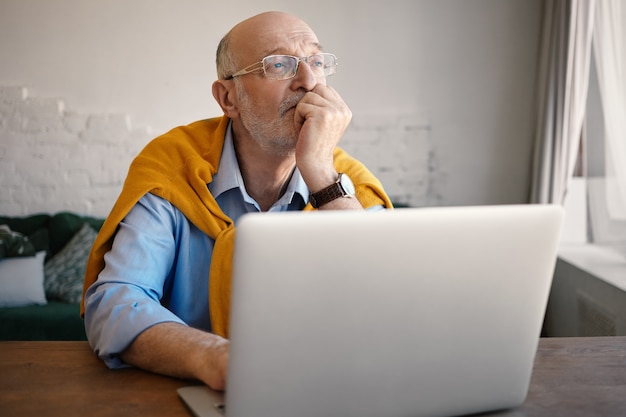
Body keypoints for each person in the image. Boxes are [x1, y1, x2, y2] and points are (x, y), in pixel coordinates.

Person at [81, 10, 392, 391]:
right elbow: (115, 302)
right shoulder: (172, 166)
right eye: (279, 65)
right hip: (192, 393)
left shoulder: (346, 183)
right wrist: (215, 358)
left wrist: (322, 176)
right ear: (228, 97)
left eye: (315, 61)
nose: (308, 82)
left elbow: (384, 311)